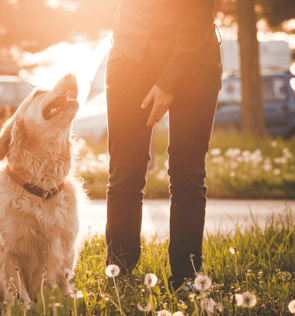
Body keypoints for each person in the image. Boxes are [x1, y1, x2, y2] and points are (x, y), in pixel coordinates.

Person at [105, 0, 221, 291]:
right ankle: (119, 278)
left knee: (188, 175)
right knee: (123, 174)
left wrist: (169, 79)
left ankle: (187, 279)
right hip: (129, 56)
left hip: (194, 57)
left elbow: (200, 11)